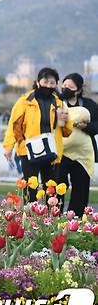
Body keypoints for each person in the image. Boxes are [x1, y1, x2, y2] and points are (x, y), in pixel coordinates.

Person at [3, 68, 73, 203]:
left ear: (56, 84)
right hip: (29, 151)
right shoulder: (25, 101)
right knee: (30, 186)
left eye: (52, 83)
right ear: (38, 82)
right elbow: (14, 125)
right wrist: (8, 147)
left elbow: (67, 132)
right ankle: (29, 218)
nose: (48, 85)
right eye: (45, 81)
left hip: (52, 151)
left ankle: (49, 219)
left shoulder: (59, 103)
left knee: (51, 188)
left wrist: (64, 121)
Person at [58, 73, 97, 215]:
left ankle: (76, 220)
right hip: (61, 153)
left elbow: (96, 126)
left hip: (82, 155)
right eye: (64, 86)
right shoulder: (56, 103)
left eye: (71, 86)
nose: (66, 88)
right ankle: (55, 217)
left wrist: (85, 126)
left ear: (79, 90)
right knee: (58, 187)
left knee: (80, 189)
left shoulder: (89, 105)